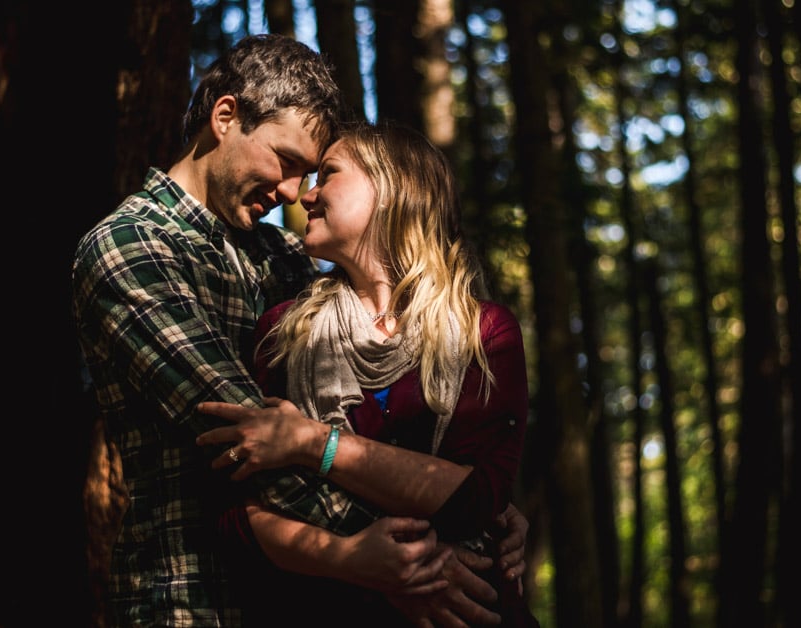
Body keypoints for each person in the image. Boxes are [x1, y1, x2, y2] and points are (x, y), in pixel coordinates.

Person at [72, 34, 526, 627]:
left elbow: (365, 412)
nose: (293, 192)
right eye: (285, 162)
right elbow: (245, 434)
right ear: (225, 116)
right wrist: (427, 555)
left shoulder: (286, 256)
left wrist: (482, 505)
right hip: (191, 595)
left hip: (298, 598)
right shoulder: (128, 249)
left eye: (310, 173)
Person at [195, 119, 539, 626]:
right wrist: (351, 559)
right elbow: (236, 515)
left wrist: (314, 444)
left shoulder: (482, 334)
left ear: (391, 190)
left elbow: (477, 498)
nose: (305, 196)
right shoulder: (282, 333)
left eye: (327, 174)